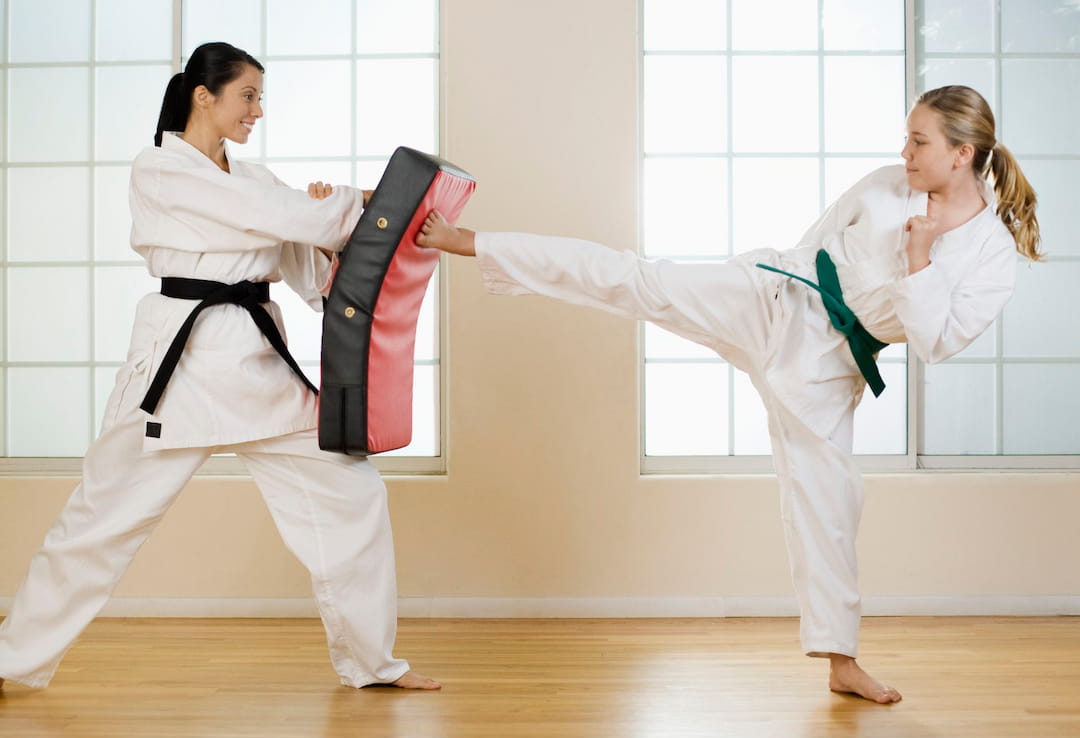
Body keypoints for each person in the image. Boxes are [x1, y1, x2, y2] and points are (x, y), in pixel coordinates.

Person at [415, 85, 1042, 704]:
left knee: (831, 504)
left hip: (829, 369)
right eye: (906, 136)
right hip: (775, 298)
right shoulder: (885, 182)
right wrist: (786, 289)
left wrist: (919, 258)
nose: (903, 150)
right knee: (638, 279)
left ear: (961, 154)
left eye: (918, 140)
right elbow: (815, 241)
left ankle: (842, 663)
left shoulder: (992, 254)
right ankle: (471, 242)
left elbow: (935, 343)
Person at [0, 42, 439, 691]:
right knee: (97, 524)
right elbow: (284, 218)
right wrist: (364, 205)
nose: (258, 110)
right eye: (248, 95)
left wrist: (329, 229)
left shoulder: (254, 179)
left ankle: (372, 663)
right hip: (177, 371)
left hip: (259, 367)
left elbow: (309, 271)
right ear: (205, 96)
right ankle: (10, 660)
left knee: (353, 495)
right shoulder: (160, 169)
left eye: (261, 98)